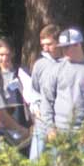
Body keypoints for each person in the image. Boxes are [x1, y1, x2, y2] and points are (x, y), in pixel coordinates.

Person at [28, 24, 61, 159]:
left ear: (59, 43)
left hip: (61, 122)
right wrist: (35, 107)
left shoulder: (68, 64)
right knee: (35, 164)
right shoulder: (39, 65)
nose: (46, 48)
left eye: (49, 44)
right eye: (43, 45)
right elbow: (34, 90)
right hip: (42, 121)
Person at [0, 39, 31, 142]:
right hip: (0, 124)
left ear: (13, 54)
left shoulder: (21, 72)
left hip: (19, 120)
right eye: (1, 55)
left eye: (7, 55)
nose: (4, 58)